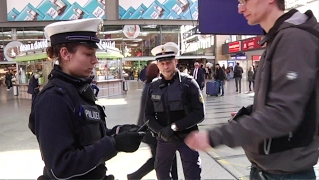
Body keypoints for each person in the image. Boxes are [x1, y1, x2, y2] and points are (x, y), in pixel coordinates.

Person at [185, 1, 319, 180]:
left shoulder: (294, 39)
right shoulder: (277, 39)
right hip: (268, 169)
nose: (240, 8)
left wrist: (214, 137)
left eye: (245, 1)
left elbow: (284, 115)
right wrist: (250, 113)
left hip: (286, 173)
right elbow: (282, 103)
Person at [28, 18, 145, 179]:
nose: (95, 60)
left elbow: (86, 138)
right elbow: (61, 166)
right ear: (65, 53)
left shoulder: (78, 90)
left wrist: (117, 133)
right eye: (88, 54)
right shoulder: (53, 99)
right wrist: (114, 144)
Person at [145, 42, 204, 179]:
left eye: (169, 62)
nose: (166, 67)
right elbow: (147, 115)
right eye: (162, 63)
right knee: (162, 172)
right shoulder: (153, 86)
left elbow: (199, 113)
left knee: (192, 173)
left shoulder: (189, 83)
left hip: (187, 137)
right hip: (165, 138)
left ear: (175, 62)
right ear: (157, 65)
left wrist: (175, 127)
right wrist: (161, 131)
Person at [127, 62, 178, 180]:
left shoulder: (148, 85)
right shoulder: (154, 87)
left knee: (160, 157)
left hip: (148, 128)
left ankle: (134, 176)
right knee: (164, 157)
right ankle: (134, 176)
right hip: (153, 130)